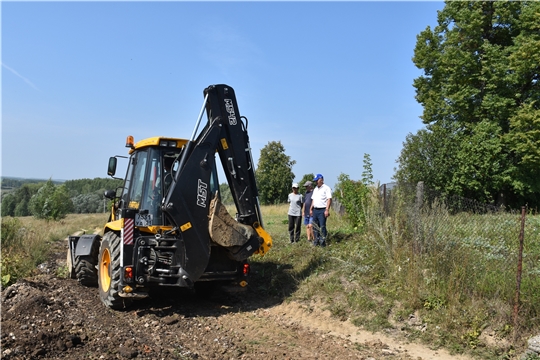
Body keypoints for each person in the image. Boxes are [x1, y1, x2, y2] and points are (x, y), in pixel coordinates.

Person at [309, 174, 332, 247]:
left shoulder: (326, 188)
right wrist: (311, 209)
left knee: (322, 226)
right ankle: (316, 241)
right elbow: (313, 199)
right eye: (315, 181)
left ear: (321, 179)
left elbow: (329, 199)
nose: (315, 182)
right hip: (315, 210)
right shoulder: (315, 189)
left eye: (317, 180)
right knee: (315, 226)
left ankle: (323, 242)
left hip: (322, 210)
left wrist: (327, 210)